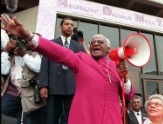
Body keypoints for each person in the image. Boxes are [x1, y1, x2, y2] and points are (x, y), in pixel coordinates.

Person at [1, 14, 135, 124]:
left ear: (108, 49)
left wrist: (124, 77)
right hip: (84, 119)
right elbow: (57, 52)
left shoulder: (115, 67)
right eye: (92, 42)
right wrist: (28, 36)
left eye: (100, 42)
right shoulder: (81, 58)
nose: (95, 44)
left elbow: (128, 95)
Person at [39, 17, 85, 124]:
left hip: (72, 87)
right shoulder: (51, 43)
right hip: (54, 86)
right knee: (52, 118)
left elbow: (83, 68)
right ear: (60, 26)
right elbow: (44, 65)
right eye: (67, 24)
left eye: (71, 25)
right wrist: (43, 85)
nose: (69, 26)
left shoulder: (78, 46)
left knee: (71, 119)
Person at [1, 38, 41, 124]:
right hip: (11, 93)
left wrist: (24, 55)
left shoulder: (34, 54)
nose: (18, 47)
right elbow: (3, 71)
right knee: (3, 114)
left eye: (21, 44)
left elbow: (37, 68)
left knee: (27, 120)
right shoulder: (10, 56)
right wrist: (5, 51)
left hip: (29, 94)